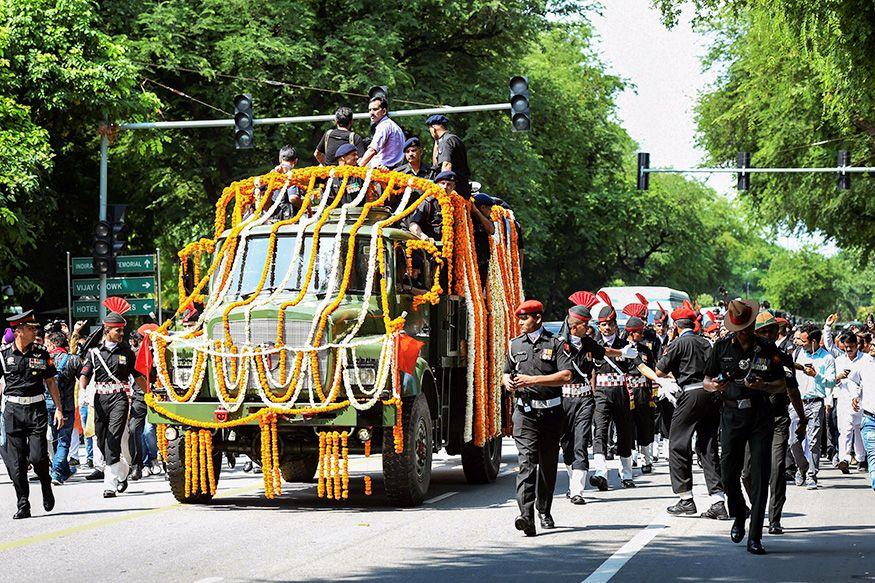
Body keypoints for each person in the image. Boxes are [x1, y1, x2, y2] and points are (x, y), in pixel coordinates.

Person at [704, 299, 787, 555]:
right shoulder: (720, 347)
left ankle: (755, 536)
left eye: (748, 327)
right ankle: (739, 513)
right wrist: (714, 386)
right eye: (739, 329)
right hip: (731, 415)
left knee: (761, 476)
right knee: (728, 474)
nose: (744, 332)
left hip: (760, 416)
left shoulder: (767, 347)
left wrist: (762, 386)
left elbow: (781, 385)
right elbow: (706, 380)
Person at [558, 298, 639, 504]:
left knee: (586, 440)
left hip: (587, 398)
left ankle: (580, 488)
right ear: (574, 325)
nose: (592, 327)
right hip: (565, 399)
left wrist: (622, 352)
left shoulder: (589, 343)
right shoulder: (557, 344)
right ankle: (572, 482)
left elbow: (605, 352)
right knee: (567, 444)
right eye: (587, 324)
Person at [503, 299, 572, 536]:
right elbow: (505, 372)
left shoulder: (556, 343)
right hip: (524, 414)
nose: (521, 322)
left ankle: (544, 510)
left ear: (538, 319)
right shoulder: (514, 345)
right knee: (526, 463)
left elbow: (566, 376)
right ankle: (526, 516)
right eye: (520, 318)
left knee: (547, 466)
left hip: (551, 413)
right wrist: (507, 382)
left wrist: (532, 380)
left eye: (525, 318)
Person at [655, 302, 727, 519]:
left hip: (691, 393)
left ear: (676, 326)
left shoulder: (678, 343)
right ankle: (718, 500)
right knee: (708, 446)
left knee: (678, 444)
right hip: (711, 393)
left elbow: (659, 370)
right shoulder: (706, 342)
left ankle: (686, 498)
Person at [742, 310, 806, 536]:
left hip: (778, 419)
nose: (768, 334)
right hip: (752, 420)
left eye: (771, 330)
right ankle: (757, 506)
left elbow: (792, 389)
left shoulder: (783, 358)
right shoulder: (746, 356)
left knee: (777, 469)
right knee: (747, 473)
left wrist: (803, 419)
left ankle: (774, 518)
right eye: (762, 331)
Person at [79, 299, 148, 498]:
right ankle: (123, 470)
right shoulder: (94, 353)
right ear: (107, 330)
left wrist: (149, 395)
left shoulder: (126, 351)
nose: (121, 334)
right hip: (100, 399)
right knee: (101, 442)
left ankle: (109, 484)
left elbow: (137, 376)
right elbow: (85, 374)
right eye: (118, 331)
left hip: (119, 398)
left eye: (122, 331)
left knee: (113, 438)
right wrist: (83, 392)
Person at [0, 310, 63, 519]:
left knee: (37, 457)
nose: (34, 331)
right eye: (30, 328)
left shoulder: (41, 352)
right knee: (17, 464)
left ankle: (46, 484)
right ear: (18, 331)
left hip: (36, 410)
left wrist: (59, 409)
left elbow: (51, 383)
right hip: (12, 411)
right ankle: (23, 504)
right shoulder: (3, 354)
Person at [589, 294, 644, 490]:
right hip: (601, 392)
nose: (607, 328)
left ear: (615, 325)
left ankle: (626, 474)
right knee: (600, 432)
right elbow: (591, 372)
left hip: (621, 390)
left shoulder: (624, 345)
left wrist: (658, 379)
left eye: (610, 324)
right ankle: (601, 472)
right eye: (603, 324)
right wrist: (593, 394)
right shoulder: (593, 344)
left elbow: (639, 366)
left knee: (624, 432)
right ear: (598, 326)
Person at [789, 324, 836, 489]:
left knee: (813, 441)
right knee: (793, 440)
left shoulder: (827, 358)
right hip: (796, 403)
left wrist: (817, 375)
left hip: (816, 403)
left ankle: (811, 475)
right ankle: (802, 467)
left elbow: (831, 381)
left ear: (814, 341)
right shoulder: (798, 353)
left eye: (804, 340)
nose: (800, 343)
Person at [824, 319, 866, 475]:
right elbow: (829, 345)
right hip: (843, 400)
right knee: (845, 431)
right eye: (846, 348)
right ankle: (844, 459)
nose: (849, 350)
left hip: (861, 401)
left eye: (851, 347)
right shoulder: (839, 359)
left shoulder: (865, 360)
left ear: (857, 345)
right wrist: (827, 327)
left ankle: (862, 459)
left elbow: (867, 380)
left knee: (860, 430)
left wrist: (859, 395)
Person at [44, 330, 81, 485]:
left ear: (53, 344)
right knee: (63, 440)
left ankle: (62, 470)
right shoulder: (73, 360)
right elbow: (84, 377)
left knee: (55, 438)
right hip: (66, 406)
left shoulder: (46, 360)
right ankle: (58, 472)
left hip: (49, 405)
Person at [426, 114, 472, 198]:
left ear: (433, 128)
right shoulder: (452, 138)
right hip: (461, 187)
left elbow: (446, 166)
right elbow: (435, 164)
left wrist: (443, 190)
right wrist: (436, 142)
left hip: (453, 191)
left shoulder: (446, 141)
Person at [848, 350, 875, 489]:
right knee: (873, 454)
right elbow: (852, 380)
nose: (872, 349)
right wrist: (855, 395)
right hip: (870, 418)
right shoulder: (864, 363)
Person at [359, 96, 404, 169]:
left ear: (384, 111)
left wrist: (358, 168)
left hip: (382, 171)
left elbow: (372, 150)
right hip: (395, 169)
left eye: (375, 109)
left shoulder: (384, 126)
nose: (371, 113)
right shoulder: (394, 126)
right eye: (370, 110)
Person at [407, 171, 452, 242]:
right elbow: (413, 225)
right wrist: (423, 236)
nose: (445, 187)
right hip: (428, 247)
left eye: (449, 184)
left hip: (448, 247)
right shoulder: (428, 202)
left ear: (453, 187)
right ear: (437, 185)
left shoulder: (455, 205)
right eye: (442, 183)